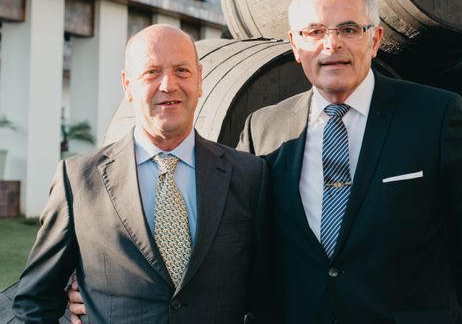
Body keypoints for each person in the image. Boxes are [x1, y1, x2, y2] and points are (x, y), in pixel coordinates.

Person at [236, 0, 462, 323]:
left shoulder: (436, 116)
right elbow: (248, 247)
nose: (331, 44)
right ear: (295, 45)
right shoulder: (263, 129)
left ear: (375, 39)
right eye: (315, 31)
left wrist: (427, 295)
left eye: (349, 29)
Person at [13, 24, 270, 324]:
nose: (168, 85)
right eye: (151, 72)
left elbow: (269, 293)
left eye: (182, 71)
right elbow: (35, 302)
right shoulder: (78, 180)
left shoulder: (250, 175)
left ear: (200, 80)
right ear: (127, 85)